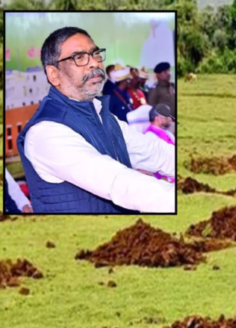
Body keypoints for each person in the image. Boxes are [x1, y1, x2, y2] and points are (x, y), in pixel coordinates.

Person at [18, 26, 175, 213]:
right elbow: (118, 183)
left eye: (96, 54)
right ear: (54, 74)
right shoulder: (46, 132)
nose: (94, 63)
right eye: (79, 57)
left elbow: (154, 152)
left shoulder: (104, 115)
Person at [147, 61, 175, 133]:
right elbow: (152, 107)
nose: (168, 73)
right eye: (165, 72)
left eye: (169, 71)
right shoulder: (155, 89)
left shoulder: (172, 86)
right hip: (164, 126)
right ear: (158, 74)